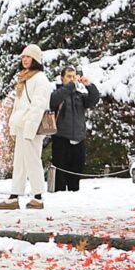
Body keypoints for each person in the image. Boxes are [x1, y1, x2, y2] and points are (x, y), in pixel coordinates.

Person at [0, 44, 55, 210]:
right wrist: (14, 125)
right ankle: (15, 195)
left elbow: (38, 106)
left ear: (36, 59)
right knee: (20, 162)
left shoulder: (40, 79)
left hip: (33, 127)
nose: (25, 60)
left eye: (28, 57)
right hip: (23, 124)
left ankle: (38, 196)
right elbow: (19, 105)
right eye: (23, 57)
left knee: (32, 161)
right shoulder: (24, 78)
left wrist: (30, 129)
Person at [47, 65, 101, 193]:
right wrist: (71, 85)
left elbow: (93, 100)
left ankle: (74, 196)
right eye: (68, 76)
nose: (71, 79)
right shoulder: (57, 93)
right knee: (60, 173)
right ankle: (59, 197)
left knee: (76, 172)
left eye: (73, 76)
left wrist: (89, 85)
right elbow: (53, 101)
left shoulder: (79, 96)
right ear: (62, 78)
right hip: (61, 138)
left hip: (78, 138)